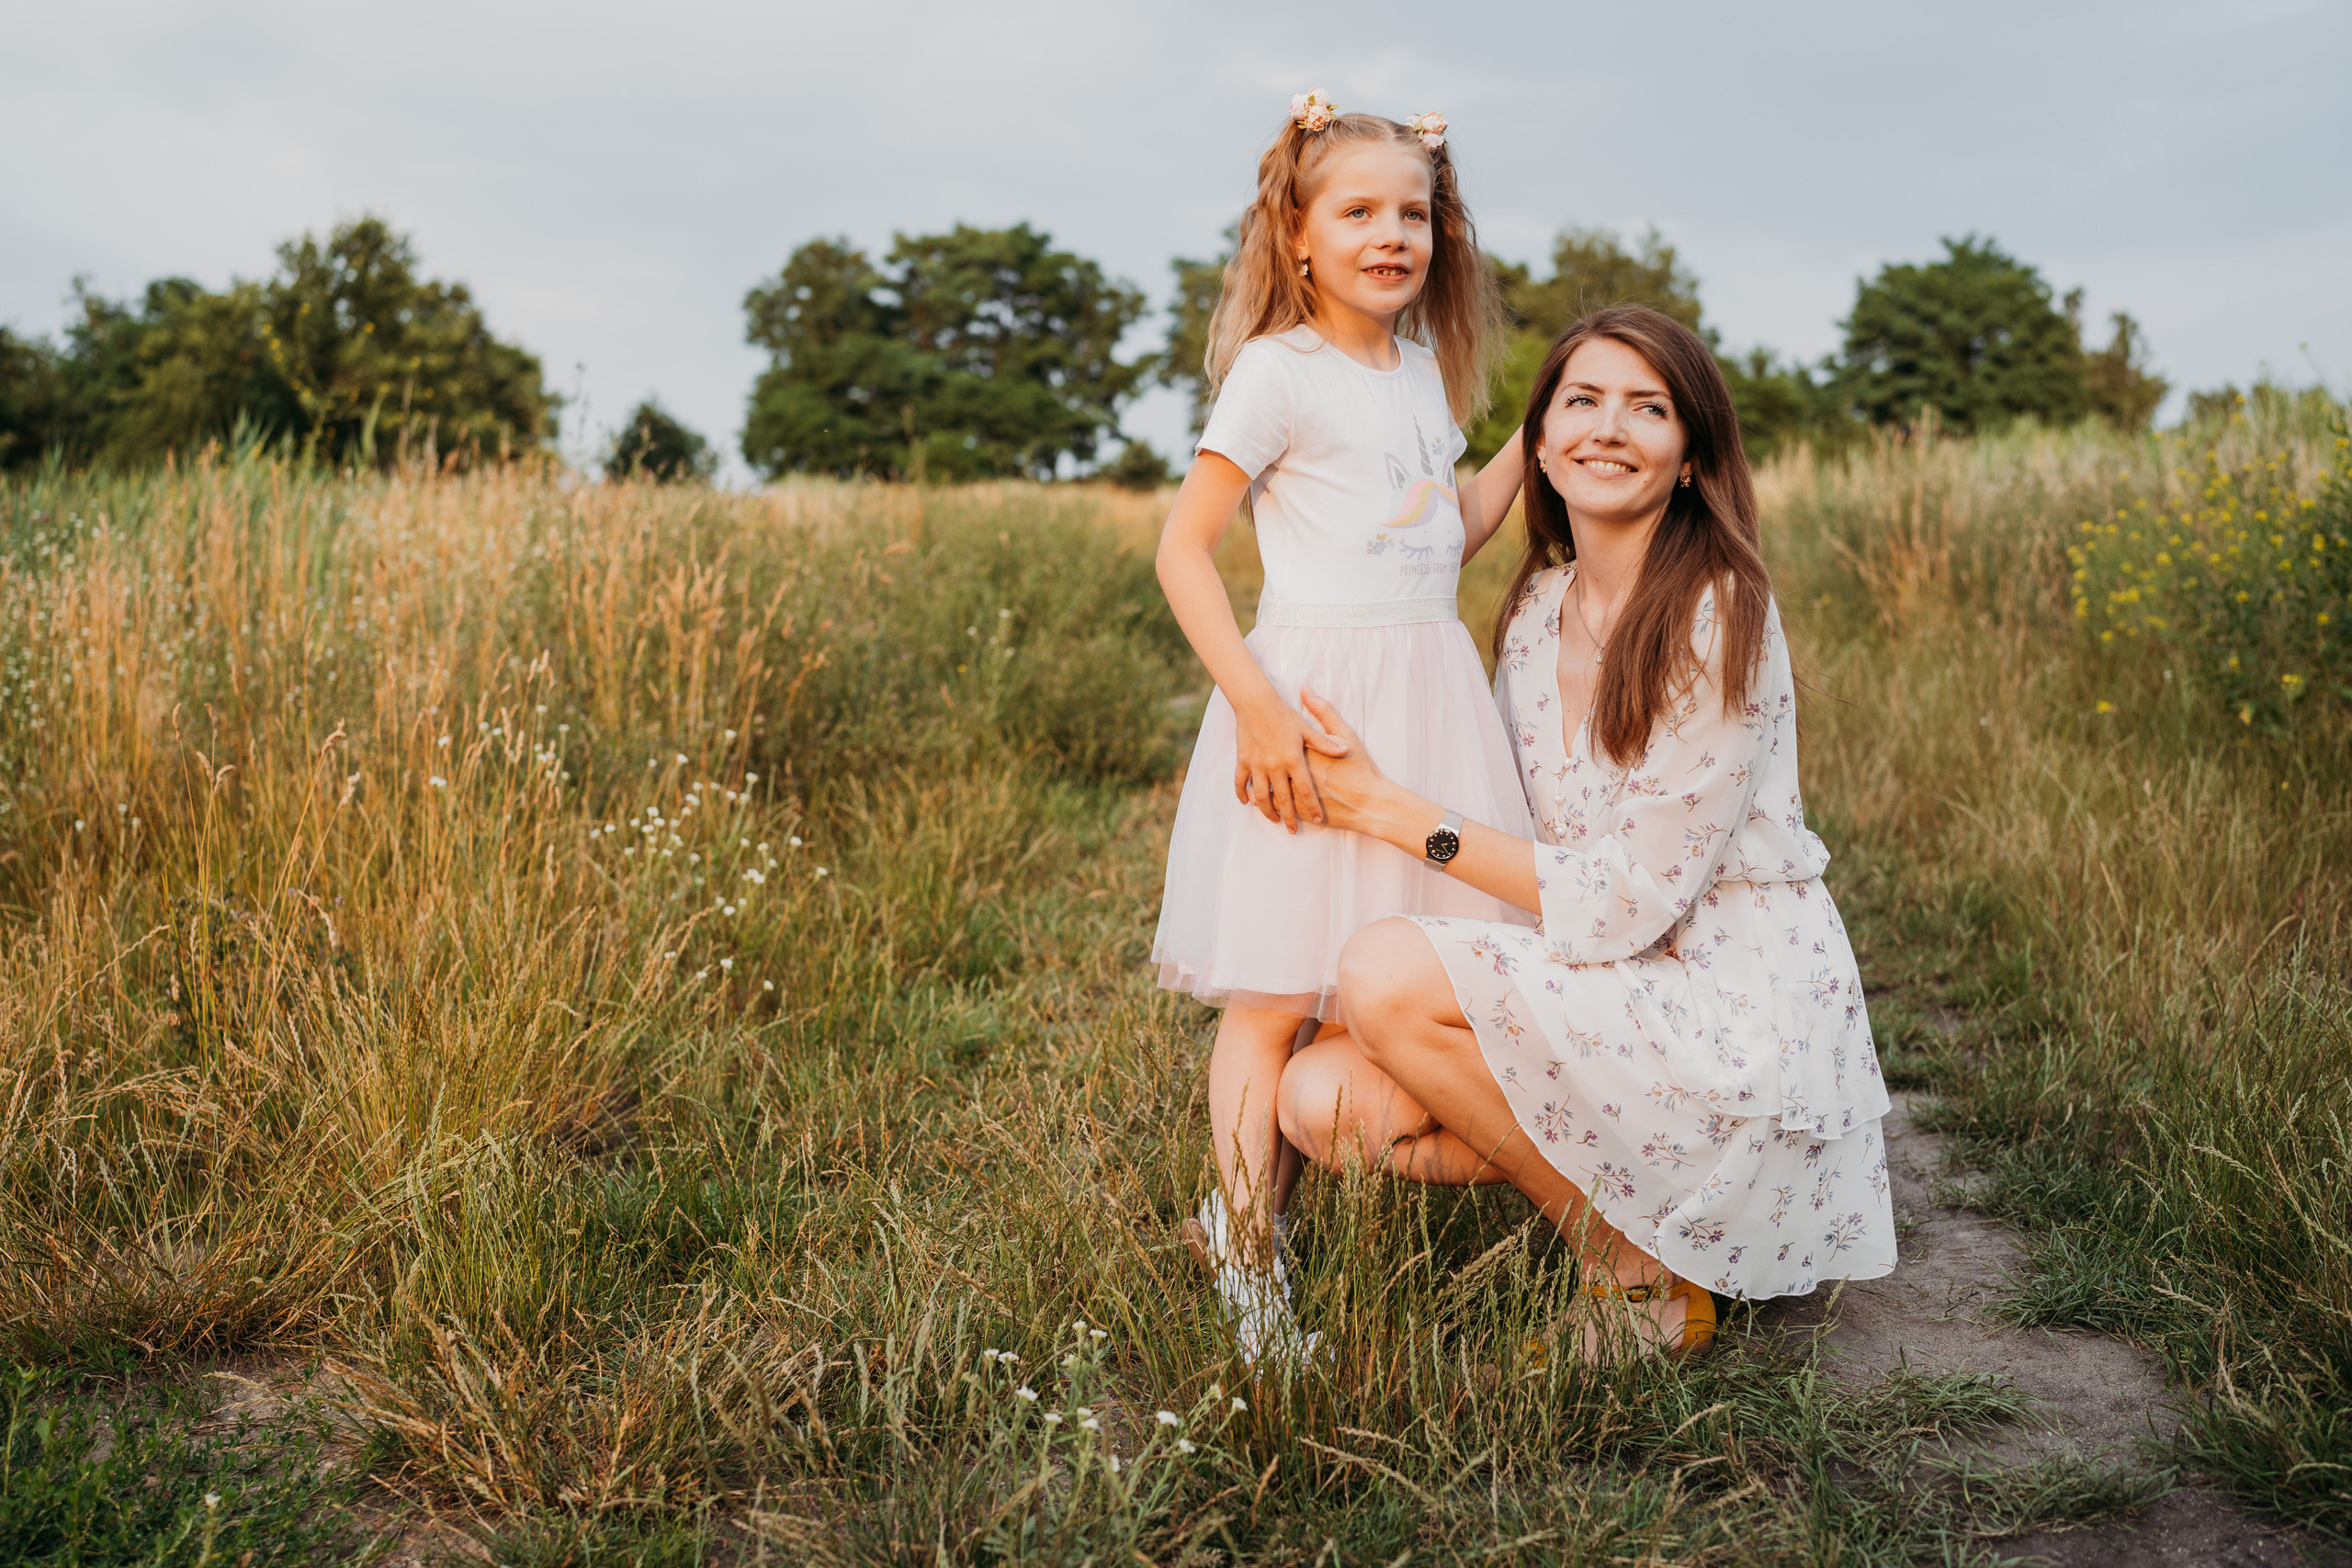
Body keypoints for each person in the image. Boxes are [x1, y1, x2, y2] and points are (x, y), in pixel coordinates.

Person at [1275, 306, 1896, 1359]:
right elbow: (1516, 828)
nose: (1608, 429)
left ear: (1691, 457)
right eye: (1582, 403)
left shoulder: (1719, 611)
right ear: (1541, 447)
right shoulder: (1535, 608)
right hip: (1603, 976)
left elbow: (1625, 901)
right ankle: (1656, 1216)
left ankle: (1631, 1260)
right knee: (1323, 1097)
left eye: (1646, 409)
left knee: (1382, 973)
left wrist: (1386, 810)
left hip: (1720, 998)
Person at [1149, 93, 1536, 1359]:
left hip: (1428, 701)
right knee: (1272, 989)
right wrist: (1255, 707)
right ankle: (1251, 1265)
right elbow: (1184, 551)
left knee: (1364, 980)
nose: (1392, 234)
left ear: (1443, 235)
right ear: (1298, 235)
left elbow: (1441, 541)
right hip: (1311, 707)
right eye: (1359, 211)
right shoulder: (1279, 371)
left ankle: (1244, 1206)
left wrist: (1541, 434)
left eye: (1414, 214)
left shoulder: (1424, 371)